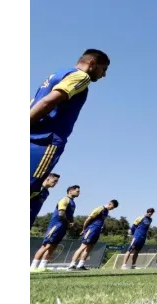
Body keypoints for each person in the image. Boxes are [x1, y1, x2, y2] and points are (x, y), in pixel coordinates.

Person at [30, 50, 110, 220]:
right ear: (92, 64)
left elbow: (34, 102)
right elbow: (47, 102)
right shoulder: (82, 77)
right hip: (45, 141)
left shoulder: (57, 74)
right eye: (104, 69)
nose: (104, 75)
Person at [30, 185, 80, 271]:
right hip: (56, 226)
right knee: (46, 246)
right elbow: (61, 214)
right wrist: (68, 223)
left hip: (63, 227)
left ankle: (42, 267)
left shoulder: (73, 203)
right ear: (70, 191)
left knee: (53, 246)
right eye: (77, 191)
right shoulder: (65, 199)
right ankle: (33, 267)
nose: (79, 193)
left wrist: (71, 224)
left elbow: (70, 215)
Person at [68, 199, 118, 270]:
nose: (112, 209)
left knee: (90, 247)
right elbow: (88, 219)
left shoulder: (106, 211)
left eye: (113, 208)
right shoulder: (99, 209)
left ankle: (80, 265)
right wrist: (84, 229)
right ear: (109, 203)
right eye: (112, 207)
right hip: (91, 230)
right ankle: (72, 265)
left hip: (96, 231)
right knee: (82, 247)